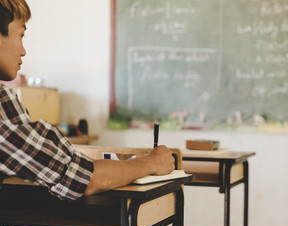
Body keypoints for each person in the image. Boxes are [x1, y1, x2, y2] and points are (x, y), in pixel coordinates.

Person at [0, 0, 175, 201]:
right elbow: (81, 179)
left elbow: (60, 162)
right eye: (21, 35)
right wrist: (151, 163)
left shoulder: (5, 96)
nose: (23, 51)